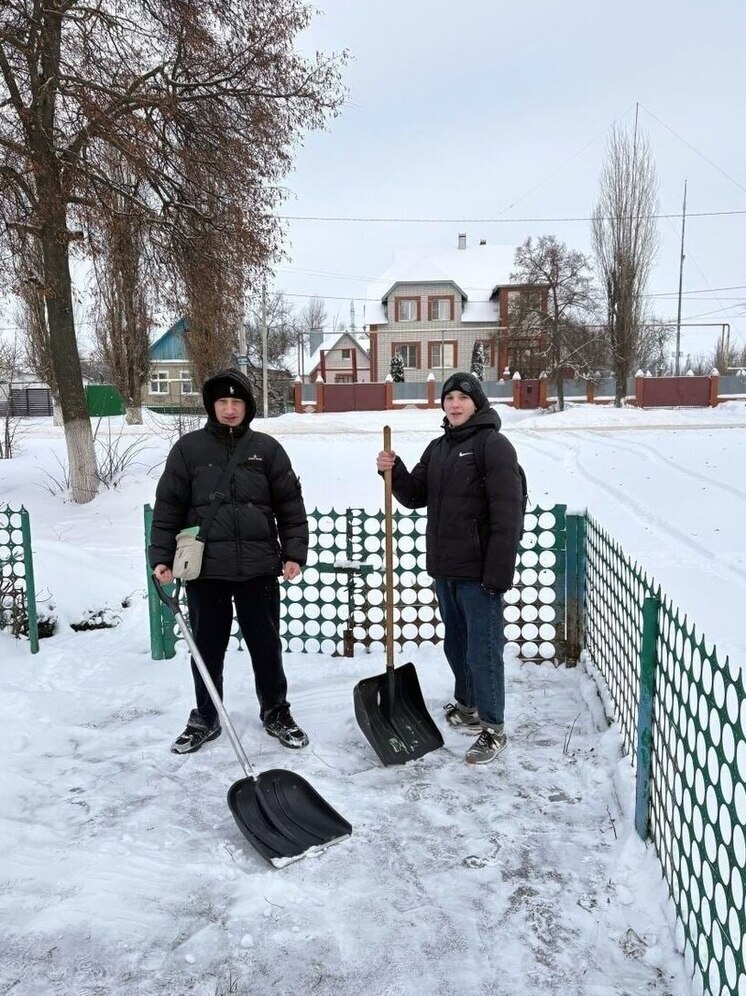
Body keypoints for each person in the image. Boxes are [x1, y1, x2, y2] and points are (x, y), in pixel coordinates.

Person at [150, 368, 310, 754]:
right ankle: (206, 717)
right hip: (207, 571)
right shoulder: (188, 450)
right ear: (211, 405)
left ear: (247, 406)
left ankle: (275, 711)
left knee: (266, 647)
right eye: (222, 401)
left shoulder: (267, 449)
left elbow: (290, 506)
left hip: (258, 568)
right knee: (206, 649)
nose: (229, 409)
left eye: (236, 401)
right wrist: (161, 557)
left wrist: (293, 553)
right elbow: (168, 508)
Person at [375, 372, 525, 765]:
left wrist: (497, 575)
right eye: (449, 398)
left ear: (477, 403)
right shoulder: (439, 448)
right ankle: (468, 707)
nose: (455, 404)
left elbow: (508, 515)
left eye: (463, 398)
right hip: (446, 570)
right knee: (456, 645)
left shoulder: (493, 446)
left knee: (483, 651)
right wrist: (394, 470)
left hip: (480, 573)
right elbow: (414, 495)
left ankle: (493, 728)